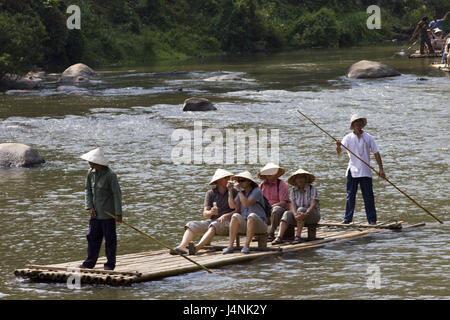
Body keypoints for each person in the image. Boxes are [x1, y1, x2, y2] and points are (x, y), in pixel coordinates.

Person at [171, 169, 237, 255]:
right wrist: (211, 212)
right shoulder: (210, 193)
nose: (228, 180)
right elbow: (205, 214)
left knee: (214, 225)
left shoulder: (234, 192)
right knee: (191, 224)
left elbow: (238, 211)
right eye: (225, 178)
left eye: (229, 178)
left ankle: (196, 248)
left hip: (228, 223)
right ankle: (182, 247)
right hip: (212, 221)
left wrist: (225, 215)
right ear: (218, 180)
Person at [335, 115, 386, 225]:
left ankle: (372, 220)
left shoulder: (368, 137)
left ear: (362, 124)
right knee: (350, 196)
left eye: (359, 123)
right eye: (355, 123)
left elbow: (376, 153)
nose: (357, 125)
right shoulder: (348, 138)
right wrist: (338, 146)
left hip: (365, 170)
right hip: (352, 170)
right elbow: (340, 152)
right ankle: (347, 219)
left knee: (368, 197)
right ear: (352, 125)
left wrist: (381, 169)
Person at [79, 147, 122, 271]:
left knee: (110, 240)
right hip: (95, 214)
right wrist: (89, 207)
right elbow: (88, 190)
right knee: (92, 237)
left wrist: (118, 214)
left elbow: (117, 195)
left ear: (98, 163)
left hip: (108, 215)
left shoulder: (110, 175)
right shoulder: (90, 173)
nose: (89, 163)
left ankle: (110, 264)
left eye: (91, 161)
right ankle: (89, 263)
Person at [223, 171, 268, 254]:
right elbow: (232, 206)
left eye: (242, 181)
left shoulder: (257, 191)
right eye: (239, 181)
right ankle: (230, 245)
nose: (240, 183)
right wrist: (230, 191)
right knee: (235, 216)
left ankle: (246, 245)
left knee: (251, 216)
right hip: (247, 224)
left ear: (249, 181)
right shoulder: (242, 193)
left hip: (260, 224)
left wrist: (238, 191)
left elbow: (246, 204)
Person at [272, 169, 320, 245]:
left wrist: (306, 213)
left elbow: (313, 204)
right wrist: (294, 214)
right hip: (299, 215)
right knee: (287, 213)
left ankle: (298, 236)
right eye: (298, 178)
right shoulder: (293, 190)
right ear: (295, 180)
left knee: (301, 209)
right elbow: (292, 204)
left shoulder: (312, 189)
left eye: (301, 177)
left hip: (312, 215)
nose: (299, 180)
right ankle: (279, 237)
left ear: (305, 179)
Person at [257, 162, 290, 241]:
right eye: (267, 172)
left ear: (276, 174)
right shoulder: (261, 185)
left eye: (271, 172)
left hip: (278, 211)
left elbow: (283, 202)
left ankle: (271, 233)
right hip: (265, 210)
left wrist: (271, 207)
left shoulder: (281, 184)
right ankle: (258, 233)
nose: (269, 174)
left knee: (276, 210)